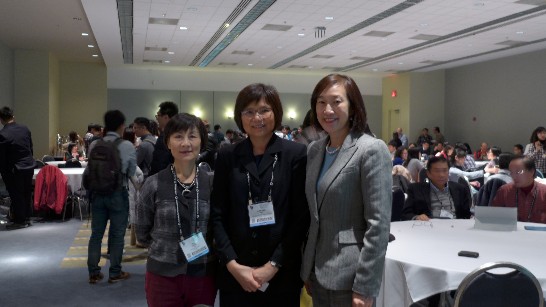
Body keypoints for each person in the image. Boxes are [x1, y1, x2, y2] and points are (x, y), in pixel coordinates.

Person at [211, 83, 309, 307]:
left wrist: (273, 265)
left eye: (264, 110)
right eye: (249, 111)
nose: (257, 117)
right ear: (240, 116)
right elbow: (218, 214)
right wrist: (233, 265)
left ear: (276, 112)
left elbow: (300, 218)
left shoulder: (295, 154)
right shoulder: (228, 154)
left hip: (281, 273)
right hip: (236, 273)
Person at [301, 74, 391, 307]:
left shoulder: (370, 150)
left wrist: (365, 286)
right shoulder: (315, 150)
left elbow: (378, 225)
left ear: (353, 107)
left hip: (350, 276)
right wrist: (308, 267)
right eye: (321, 102)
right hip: (317, 270)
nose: (327, 109)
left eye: (336, 101)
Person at [136, 113, 217, 306]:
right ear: (168, 142)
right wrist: (166, 249)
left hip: (203, 274)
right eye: (178, 136)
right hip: (162, 276)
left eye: (192, 136)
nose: (185, 143)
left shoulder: (212, 183)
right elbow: (142, 232)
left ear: (202, 142)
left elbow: (219, 228)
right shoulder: (153, 184)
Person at [87, 110, 137, 284]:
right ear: (122, 125)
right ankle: (115, 272)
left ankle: (93, 273)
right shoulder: (127, 146)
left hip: (97, 194)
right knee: (117, 235)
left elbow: (89, 170)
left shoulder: (95, 144)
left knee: (96, 234)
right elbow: (131, 172)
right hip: (118, 193)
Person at [402, 156, 472, 221]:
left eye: (445, 170)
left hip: (455, 227)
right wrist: (417, 217)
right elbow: (405, 214)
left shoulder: (460, 189)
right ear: (428, 173)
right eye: (437, 171)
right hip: (429, 228)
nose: (441, 175)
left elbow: (466, 216)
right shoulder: (416, 190)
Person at [0, 106, 35, 230]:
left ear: (1, 120)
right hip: (29, 165)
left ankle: (20, 220)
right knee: (26, 192)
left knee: (16, 194)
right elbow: (30, 147)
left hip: (15, 169)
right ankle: (26, 217)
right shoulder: (25, 129)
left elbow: (2, 157)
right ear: (13, 116)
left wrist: (4, 172)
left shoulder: (3, 134)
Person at [492, 157, 546, 224]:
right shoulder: (504, 191)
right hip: (511, 233)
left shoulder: (543, 192)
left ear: (532, 171)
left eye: (519, 172)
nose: (514, 176)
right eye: (511, 172)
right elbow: (494, 217)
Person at [150, 101, 179, 176]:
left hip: (163, 179)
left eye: (158, 116)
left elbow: (160, 162)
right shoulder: (179, 134)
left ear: (166, 117)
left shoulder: (166, 136)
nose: (157, 119)